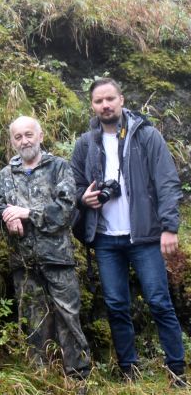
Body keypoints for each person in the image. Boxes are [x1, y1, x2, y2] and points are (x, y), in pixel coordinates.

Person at [72, 78, 187, 387]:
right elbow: (74, 185)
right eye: (99, 101)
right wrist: (83, 198)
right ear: (92, 105)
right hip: (106, 239)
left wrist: (169, 227)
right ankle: (128, 370)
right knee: (116, 305)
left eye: (110, 98)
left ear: (121, 99)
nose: (105, 105)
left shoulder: (146, 135)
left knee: (159, 301)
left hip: (145, 236)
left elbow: (167, 182)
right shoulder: (85, 143)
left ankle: (177, 370)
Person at [0, 116, 91, 382]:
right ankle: (41, 375)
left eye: (29, 135)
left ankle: (78, 376)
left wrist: (26, 213)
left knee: (68, 316)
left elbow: (66, 210)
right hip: (23, 261)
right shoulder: (6, 174)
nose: (24, 141)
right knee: (32, 319)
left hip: (57, 258)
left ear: (40, 136)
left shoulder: (59, 167)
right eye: (18, 137)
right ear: (12, 141)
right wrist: (7, 219)